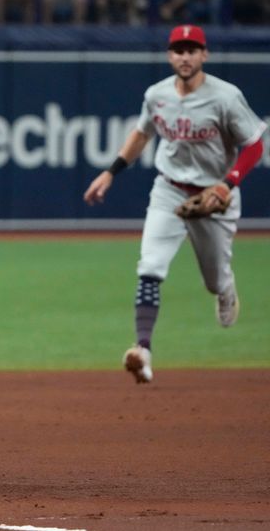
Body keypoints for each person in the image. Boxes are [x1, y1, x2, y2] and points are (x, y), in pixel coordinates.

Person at [83, 24, 266, 384]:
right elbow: (142, 134)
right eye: (179, 50)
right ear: (170, 56)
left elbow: (255, 144)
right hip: (168, 191)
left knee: (214, 281)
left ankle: (226, 289)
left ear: (204, 55)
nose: (185, 56)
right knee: (150, 266)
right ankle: (143, 351)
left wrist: (229, 183)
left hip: (215, 196)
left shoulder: (226, 97)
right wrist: (110, 172)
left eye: (192, 49)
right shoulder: (157, 94)